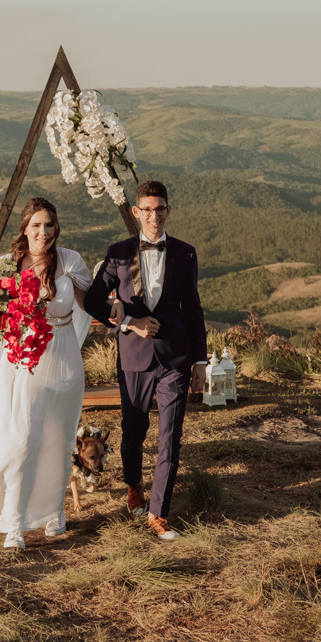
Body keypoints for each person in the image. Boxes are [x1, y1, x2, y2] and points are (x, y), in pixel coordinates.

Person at [0, 197, 93, 550]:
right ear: (25, 228)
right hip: (21, 361)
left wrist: (124, 311)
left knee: (58, 441)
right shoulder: (5, 267)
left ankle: (54, 513)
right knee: (22, 441)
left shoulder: (70, 261)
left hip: (62, 357)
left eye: (49, 225)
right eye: (36, 225)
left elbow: (89, 305)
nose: (43, 232)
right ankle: (15, 521)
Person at [85, 180, 207, 541]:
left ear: (169, 211)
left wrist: (199, 362)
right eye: (147, 210)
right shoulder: (119, 252)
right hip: (134, 357)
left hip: (175, 357)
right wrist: (127, 321)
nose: (154, 216)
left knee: (171, 438)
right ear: (137, 213)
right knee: (133, 432)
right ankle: (133, 485)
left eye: (161, 209)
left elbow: (194, 310)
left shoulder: (185, 253)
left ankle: (159, 513)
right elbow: (93, 299)